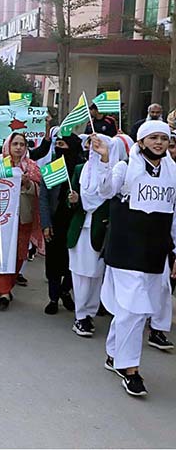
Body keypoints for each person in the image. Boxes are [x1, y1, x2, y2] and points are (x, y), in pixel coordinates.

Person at [91, 122, 176, 396]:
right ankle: (130, 370)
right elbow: (104, 191)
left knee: (134, 309)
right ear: (141, 141)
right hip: (126, 249)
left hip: (154, 252)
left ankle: (113, 353)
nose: (159, 142)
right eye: (153, 137)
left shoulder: (173, 172)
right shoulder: (124, 167)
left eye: (164, 138)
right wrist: (105, 159)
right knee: (135, 308)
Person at [67, 134, 115, 336]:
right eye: (91, 145)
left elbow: (109, 195)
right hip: (80, 229)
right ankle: (81, 316)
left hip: (99, 230)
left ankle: (89, 314)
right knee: (79, 274)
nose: (93, 149)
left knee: (95, 274)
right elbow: (72, 203)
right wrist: (74, 200)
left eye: (98, 145)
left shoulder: (114, 172)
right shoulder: (81, 169)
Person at [0, 132, 42, 311]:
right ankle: (3, 291)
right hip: (1, 218)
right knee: (1, 253)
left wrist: (28, 184)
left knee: (19, 255)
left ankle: (9, 285)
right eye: (15, 144)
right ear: (8, 146)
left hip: (23, 217)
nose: (19, 147)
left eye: (22, 144)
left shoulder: (32, 166)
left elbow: (39, 191)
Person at [39, 133, 84, 315]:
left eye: (63, 144)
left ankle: (66, 291)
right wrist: (46, 224)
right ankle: (53, 297)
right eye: (57, 144)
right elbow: (43, 198)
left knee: (72, 262)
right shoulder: (52, 168)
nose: (59, 148)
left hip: (76, 222)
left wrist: (78, 200)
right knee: (54, 261)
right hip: (56, 220)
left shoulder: (83, 169)